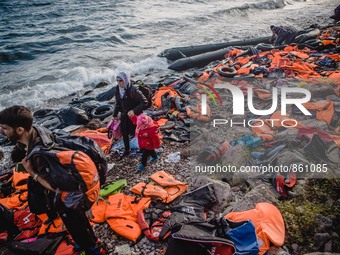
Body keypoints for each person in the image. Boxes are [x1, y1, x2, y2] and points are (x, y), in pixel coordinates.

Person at [0, 106, 104, 255]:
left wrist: (32, 173)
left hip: (71, 196)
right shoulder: (37, 130)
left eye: (4, 128)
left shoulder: (40, 155)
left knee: (76, 224)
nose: (1, 131)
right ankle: (87, 242)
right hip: (74, 184)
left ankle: (93, 249)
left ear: (20, 130)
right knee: (79, 224)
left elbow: (55, 187)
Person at [112, 72, 148, 158]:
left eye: (121, 81)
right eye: (117, 81)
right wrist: (115, 115)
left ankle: (143, 148)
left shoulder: (133, 90)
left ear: (126, 80)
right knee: (124, 133)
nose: (119, 83)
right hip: (124, 115)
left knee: (138, 132)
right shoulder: (117, 89)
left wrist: (134, 110)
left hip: (135, 116)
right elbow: (118, 103)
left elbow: (144, 101)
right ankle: (127, 150)